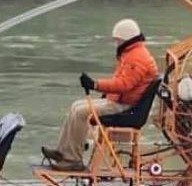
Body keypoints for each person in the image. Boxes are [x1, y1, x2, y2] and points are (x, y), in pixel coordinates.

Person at [41, 19, 158, 171]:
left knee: (81, 112)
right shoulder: (132, 54)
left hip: (125, 107)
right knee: (76, 106)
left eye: (118, 40)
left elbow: (124, 85)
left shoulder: (137, 58)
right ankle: (63, 152)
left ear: (125, 39)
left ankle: (72, 160)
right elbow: (121, 81)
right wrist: (103, 90)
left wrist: (95, 85)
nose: (116, 43)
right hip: (120, 101)